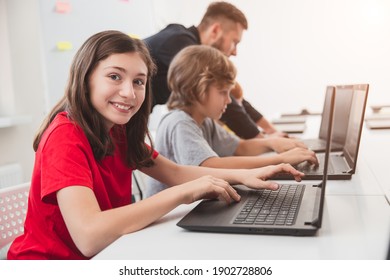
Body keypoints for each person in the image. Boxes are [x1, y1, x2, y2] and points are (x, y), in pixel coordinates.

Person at [7, 31, 304, 260]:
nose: (129, 92)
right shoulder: (65, 136)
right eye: (114, 76)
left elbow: (174, 173)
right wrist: (184, 193)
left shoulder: (118, 132)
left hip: (107, 256)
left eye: (139, 81)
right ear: (85, 79)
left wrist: (244, 176)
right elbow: (89, 236)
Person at [146, 45, 318, 197]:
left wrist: (273, 143)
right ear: (195, 90)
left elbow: (240, 147)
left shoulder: (204, 120)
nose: (229, 100)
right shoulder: (180, 122)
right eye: (222, 92)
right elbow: (211, 166)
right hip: (168, 220)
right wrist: (279, 160)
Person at [144, 1, 284, 139]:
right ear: (215, 30)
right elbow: (222, 98)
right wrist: (262, 140)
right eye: (234, 42)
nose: (235, 52)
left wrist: (270, 131)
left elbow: (229, 96)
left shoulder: (182, 40)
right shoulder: (180, 44)